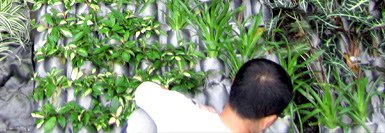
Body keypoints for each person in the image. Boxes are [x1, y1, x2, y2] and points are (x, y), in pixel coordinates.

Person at [126, 58, 293, 133]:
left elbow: (144, 90)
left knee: (140, 118)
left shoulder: (181, 113)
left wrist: (195, 106)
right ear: (269, 120)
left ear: (234, 82)